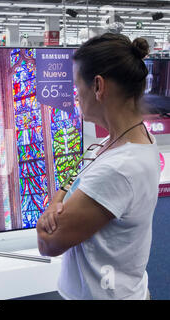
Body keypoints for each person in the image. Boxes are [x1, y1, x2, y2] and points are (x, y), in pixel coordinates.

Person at [36, 33, 161, 300]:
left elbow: (48, 244)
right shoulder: (126, 140)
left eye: (76, 85)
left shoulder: (119, 168)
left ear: (98, 86)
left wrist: (44, 224)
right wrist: (58, 200)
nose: (75, 94)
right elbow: (77, 174)